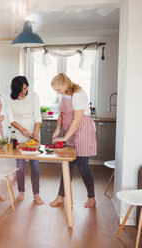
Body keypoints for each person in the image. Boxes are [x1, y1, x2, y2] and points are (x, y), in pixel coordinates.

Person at [49, 72, 97, 208]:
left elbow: (77, 120)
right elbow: (61, 114)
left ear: (65, 84)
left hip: (82, 131)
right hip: (69, 131)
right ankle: (60, 197)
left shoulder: (78, 94)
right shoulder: (64, 95)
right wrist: (58, 129)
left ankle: (91, 198)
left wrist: (64, 138)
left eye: (58, 89)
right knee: (67, 165)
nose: (58, 92)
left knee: (83, 166)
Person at [6, 76, 44, 205]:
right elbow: (11, 119)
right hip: (19, 134)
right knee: (20, 167)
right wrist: (23, 130)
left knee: (35, 166)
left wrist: (35, 133)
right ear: (15, 89)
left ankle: (36, 194)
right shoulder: (10, 99)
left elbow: (37, 116)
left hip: (34, 132)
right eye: (21, 90)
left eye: (25, 88)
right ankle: (21, 191)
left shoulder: (34, 96)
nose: (23, 92)